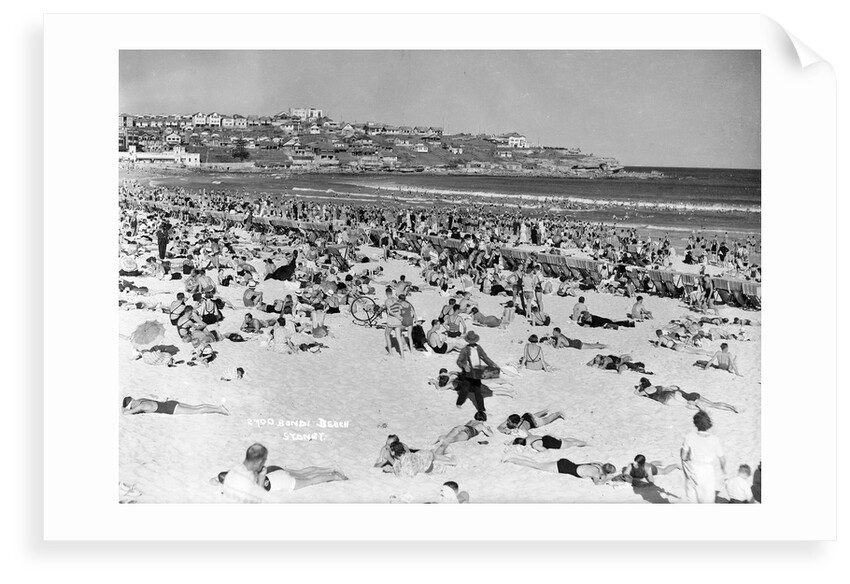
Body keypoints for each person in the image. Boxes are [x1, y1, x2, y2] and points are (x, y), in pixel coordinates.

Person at [680, 411, 726, 504]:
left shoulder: (689, 436)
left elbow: (683, 456)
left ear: (696, 424)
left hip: (693, 468)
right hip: (707, 470)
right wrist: (723, 468)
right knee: (707, 498)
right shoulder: (714, 439)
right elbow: (722, 458)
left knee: (692, 497)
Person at [455, 330, 500, 417]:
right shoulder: (464, 350)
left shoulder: (478, 348)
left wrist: (493, 364)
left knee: (478, 391)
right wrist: (464, 366)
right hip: (467, 373)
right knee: (465, 389)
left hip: (477, 371)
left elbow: (485, 357)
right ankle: (459, 403)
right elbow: (459, 361)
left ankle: (481, 409)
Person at [634, 377, 738, 413]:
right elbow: (670, 388)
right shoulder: (666, 387)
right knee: (713, 403)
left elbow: (636, 394)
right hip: (693, 394)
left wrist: (639, 386)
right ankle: (731, 407)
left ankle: (730, 409)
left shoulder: (646, 391)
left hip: (691, 399)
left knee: (713, 406)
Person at [502, 456, 618, 485]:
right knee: (537, 465)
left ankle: (515, 458)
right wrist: (607, 478)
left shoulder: (599, 464)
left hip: (567, 463)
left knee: (538, 464)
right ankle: (512, 459)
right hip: (562, 468)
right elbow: (598, 483)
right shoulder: (596, 473)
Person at [121, 396, 229, 415]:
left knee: (196, 411)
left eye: (131, 406)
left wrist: (125, 409)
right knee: (196, 406)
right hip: (170, 403)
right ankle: (216, 406)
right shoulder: (141, 400)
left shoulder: (141, 406)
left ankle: (219, 409)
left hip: (171, 409)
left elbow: (127, 413)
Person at [497, 409, 565, 435]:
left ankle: (558, 413)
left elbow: (530, 435)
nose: (507, 422)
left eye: (509, 422)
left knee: (547, 420)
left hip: (534, 422)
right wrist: (505, 431)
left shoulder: (522, 428)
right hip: (526, 416)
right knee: (533, 415)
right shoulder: (511, 419)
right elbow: (499, 427)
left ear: (514, 424)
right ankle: (544, 411)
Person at [383, 286, 405, 358]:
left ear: (386, 294)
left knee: (386, 334)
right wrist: (399, 316)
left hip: (392, 320)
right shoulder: (396, 299)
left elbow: (390, 311)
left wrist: (396, 315)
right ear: (392, 293)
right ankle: (402, 355)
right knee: (398, 337)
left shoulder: (387, 301)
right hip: (398, 321)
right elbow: (399, 309)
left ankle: (390, 352)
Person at [511, 434, 588, 452]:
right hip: (550, 438)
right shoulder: (530, 437)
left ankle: (588, 445)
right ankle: (586, 443)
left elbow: (545, 451)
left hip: (558, 444)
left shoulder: (535, 444)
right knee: (570, 440)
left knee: (573, 444)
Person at [587, 354, 652, 374]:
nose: (596, 362)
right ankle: (627, 357)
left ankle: (628, 357)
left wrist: (596, 366)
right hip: (611, 359)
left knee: (621, 360)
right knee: (623, 361)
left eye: (597, 361)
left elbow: (602, 367)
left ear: (601, 359)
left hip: (614, 360)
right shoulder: (597, 358)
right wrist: (592, 363)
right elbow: (588, 364)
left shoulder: (605, 360)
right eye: (596, 360)